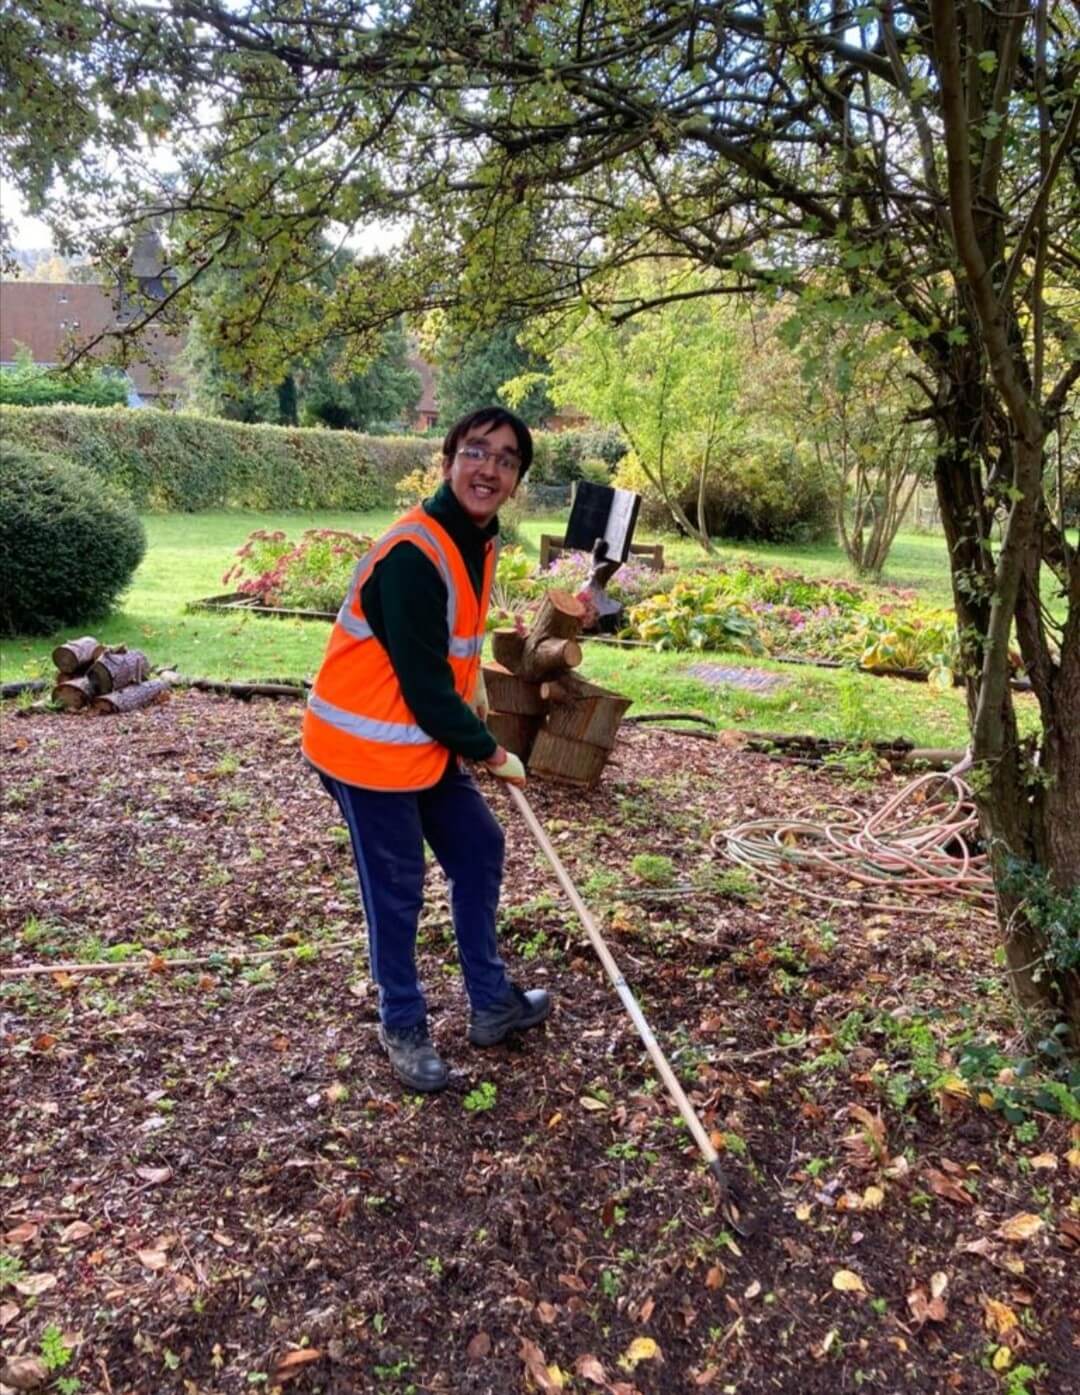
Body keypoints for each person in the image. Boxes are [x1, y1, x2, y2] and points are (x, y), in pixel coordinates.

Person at [301, 406, 551, 1092]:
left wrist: (475, 689)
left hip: (419, 743)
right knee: (397, 888)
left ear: (516, 480)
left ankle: (491, 1002)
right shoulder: (414, 553)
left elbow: (448, 649)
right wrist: (493, 752)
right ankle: (403, 1022)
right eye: (477, 451)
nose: (490, 468)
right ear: (447, 461)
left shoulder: (475, 538)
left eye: (507, 460)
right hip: (364, 750)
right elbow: (423, 688)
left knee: (478, 846)